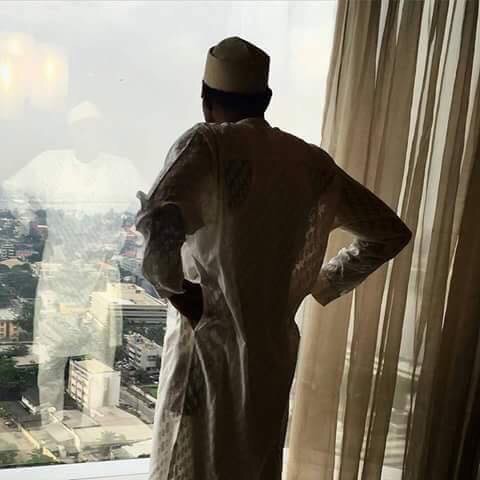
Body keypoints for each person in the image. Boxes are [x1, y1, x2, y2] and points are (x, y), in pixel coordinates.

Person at [136, 37, 411, 480]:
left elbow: (156, 225)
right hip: (270, 357)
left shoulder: (207, 144)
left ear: (205, 99)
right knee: (253, 464)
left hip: (207, 354)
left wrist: (183, 294)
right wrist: (318, 283)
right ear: (266, 99)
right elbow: (389, 233)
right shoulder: (311, 163)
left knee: (188, 465)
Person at [3, 101, 145, 422]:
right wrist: (31, 222)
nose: (87, 134)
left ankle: (99, 427)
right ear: (71, 132)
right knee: (51, 357)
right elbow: (12, 189)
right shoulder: (51, 164)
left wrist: (128, 236)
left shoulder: (120, 169)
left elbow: (147, 203)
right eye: (81, 128)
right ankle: (51, 424)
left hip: (99, 277)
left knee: (100, 361)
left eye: (93, 128)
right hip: (60, 275)